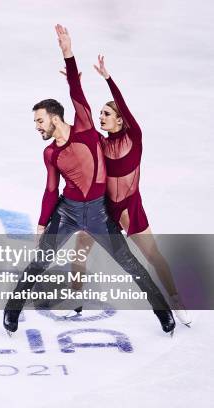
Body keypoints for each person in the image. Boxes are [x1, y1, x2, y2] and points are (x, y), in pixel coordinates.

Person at [2, 25, 175, 335]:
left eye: (39, 120)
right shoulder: (49, 154)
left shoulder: (84, 125)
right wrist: (43, 224)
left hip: (98, 213)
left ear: (55, 117)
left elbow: (75, 91)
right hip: (66, 213)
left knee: (131, 265)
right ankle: (12, 311)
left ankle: (163, 312)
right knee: (38, 264)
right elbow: (51, 190)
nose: (37, 127)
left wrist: (67, 52)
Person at [66, 55, 191, 326]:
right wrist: (73, 81)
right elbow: (82, 111)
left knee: (152, 255)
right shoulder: (98, 143)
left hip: (130, 206)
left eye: (107, 114)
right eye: (101, 113)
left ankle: (175, 298)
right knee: (79, 251)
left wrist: (108, 79)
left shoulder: (134, 136)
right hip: (103, 209)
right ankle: (75, 302)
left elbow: (122, 104)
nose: (101, 117)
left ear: (121, 120)